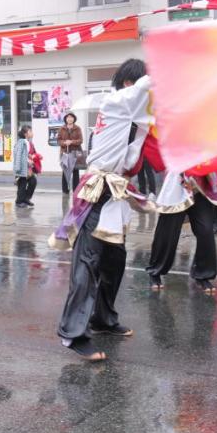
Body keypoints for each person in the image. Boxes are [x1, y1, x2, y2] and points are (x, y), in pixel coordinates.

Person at [50, 58, 156, 361]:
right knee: (87, 263)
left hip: (117, 192)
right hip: (98, 190)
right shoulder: (119, 103)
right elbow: (152, 83)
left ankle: (103, 319)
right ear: (129, 85)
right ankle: (72, 333)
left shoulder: (135, 114)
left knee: (114, 261)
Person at [146, 157, 217, 293]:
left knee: (206, 230)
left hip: (202, 184)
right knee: (168, 231)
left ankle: (203, 274)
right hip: (177, 183)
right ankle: (155, 271)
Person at [57, 112, 83, 194]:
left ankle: (76, 190)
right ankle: (65, 190)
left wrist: (71, 142)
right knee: (65, 171)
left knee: (75, 172)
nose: (69, 119)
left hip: (75, 153)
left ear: (74, 119)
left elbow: (80, 140)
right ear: (65, 119)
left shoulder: (77, 128)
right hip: (65, 153)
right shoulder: (62, 128)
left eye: (71, 117)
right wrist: (64, 142)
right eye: (68, 117)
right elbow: (58, 140)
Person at [13, 125, 37, 208]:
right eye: (30, 131)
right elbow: (18, 155)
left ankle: (26, 198)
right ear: (25, 134)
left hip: (28, 168)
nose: (32, 133)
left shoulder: (29, 142)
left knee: (33, 181)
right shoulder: (21, 142)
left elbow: (29, 154)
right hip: (22, 168)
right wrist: (18, 168)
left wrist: (32, 158)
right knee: (22, 185)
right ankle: (19, 201)